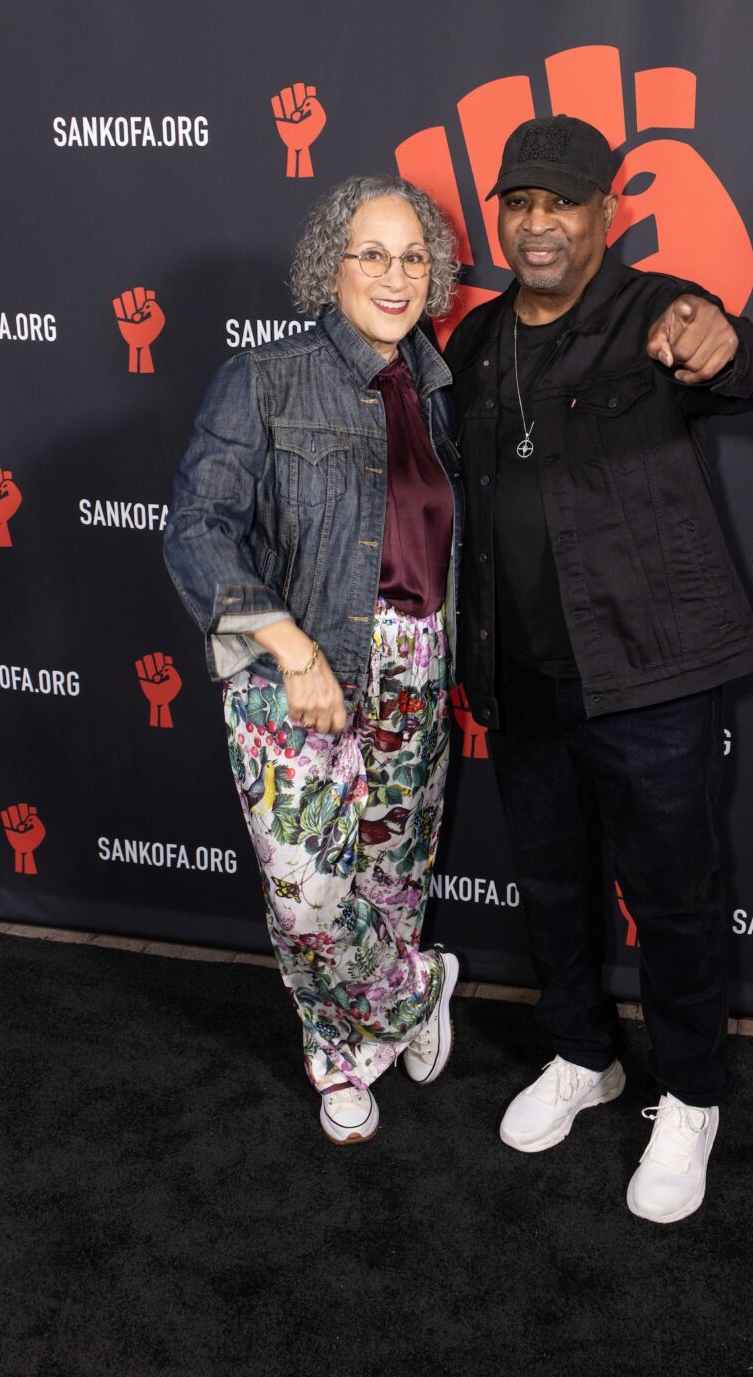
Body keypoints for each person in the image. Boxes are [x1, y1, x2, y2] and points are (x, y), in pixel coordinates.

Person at [443, 115, 753, 1222]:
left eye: (563, 203)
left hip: (648, 675)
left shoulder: (657, 313)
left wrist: (724, 343)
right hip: (523, 675)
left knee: (673, 897)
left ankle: (688, 1095)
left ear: (606, 215)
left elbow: (749, 371)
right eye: (520, 203)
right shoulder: (476, 339)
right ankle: (583, 1057)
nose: (537, 225)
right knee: (552, 887)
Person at [164, 177, 463, 1146]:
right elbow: (197, 530)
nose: (394, 275)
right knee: (309, 892)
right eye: (370, 253)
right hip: (296, 666)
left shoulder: (442, 389)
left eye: (413, 256)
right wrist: (287, 645)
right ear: (328, 266)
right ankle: (414, 992)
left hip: (417, 666)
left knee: (391, 871)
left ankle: (345, 1054)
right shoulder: (265, 378)